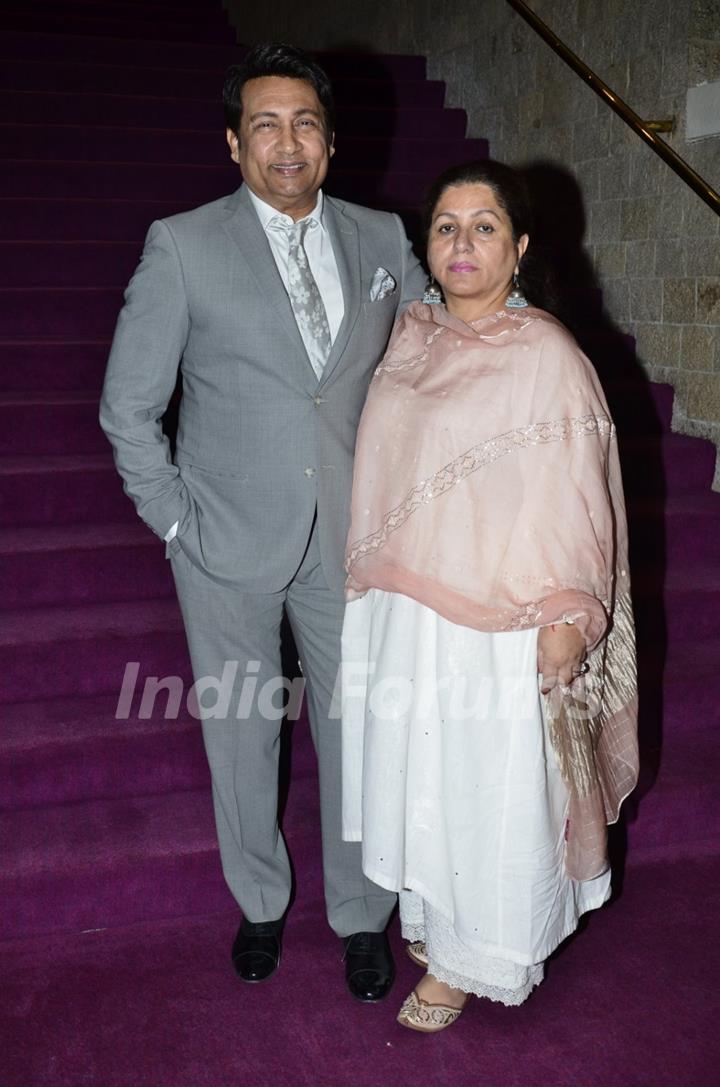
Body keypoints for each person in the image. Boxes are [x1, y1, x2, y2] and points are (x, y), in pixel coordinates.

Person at [100, 42, 425, 1001]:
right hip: (223, 543)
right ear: (235, 144)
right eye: (268, 126)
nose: (290, 143)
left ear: (330, 140)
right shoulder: (183, 244)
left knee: (359, 730)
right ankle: (260, 901)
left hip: (353, 539)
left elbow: (426, 366)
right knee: (243, 734)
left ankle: (363, 913)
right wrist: (175, 525)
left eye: (307, 123)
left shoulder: (381, 237)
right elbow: (128, 406)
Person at [341, 159, 639, 1031]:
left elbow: (577, 491)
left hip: (502, 622)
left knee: (485, 784)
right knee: (425, 775)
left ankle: (484, 954)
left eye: (482, 226)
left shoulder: (547, 353)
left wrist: (566, 617)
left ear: (519, 247)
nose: (461, 243)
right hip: (409, 612)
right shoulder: (410, 337)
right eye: (444, 226)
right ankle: (437, 921)